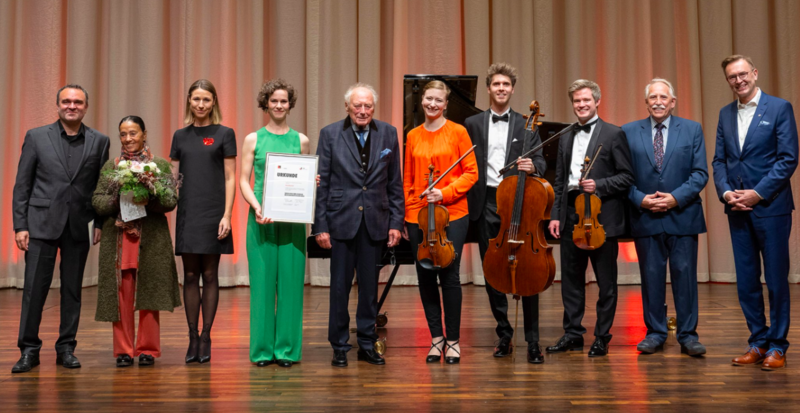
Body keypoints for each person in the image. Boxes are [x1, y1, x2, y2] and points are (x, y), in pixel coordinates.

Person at [11, 85, 110, 373]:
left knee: (72, 291)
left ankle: (66, 348)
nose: (72, 106)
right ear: (57, 106)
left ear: (86, 108)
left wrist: (101, 222)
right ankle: (29, 350)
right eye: (66, 101)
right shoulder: (36, 137)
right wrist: (21, 225)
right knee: (34, 291)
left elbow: (102, 188)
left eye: (78, 102)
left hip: (79, 226)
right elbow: (22, 185)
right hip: (40, 225)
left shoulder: (99, 141)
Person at [712, 55, 799, 371]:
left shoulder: (779, 108)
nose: (738, 80)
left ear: (755, 73)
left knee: (776, 280)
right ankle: (758, 343)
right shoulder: (725, 114)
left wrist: (757, 193)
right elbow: (719, 161)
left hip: (771, 209)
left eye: (743, 74)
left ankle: (778, 346)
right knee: (746, 281)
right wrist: (726, 193)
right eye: (732, 77)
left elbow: (788, 159)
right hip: (736, 209)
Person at [313, 83, 404, 367]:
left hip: (376, 221)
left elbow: (395, 183)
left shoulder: (388, 133)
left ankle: (366, 343)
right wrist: (320, 225)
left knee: (369, 288)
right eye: (357, 106)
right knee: (339, 288)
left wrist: (396, 223)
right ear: (347, 108)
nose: (362, 111)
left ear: (373, 108)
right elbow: (322, 183)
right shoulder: (329, 134)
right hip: (340, 222)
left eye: (368, 106)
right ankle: (340, 346)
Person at [464, 63, 547, 364]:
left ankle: (534, 340)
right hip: (485, 200)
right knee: (493, 271)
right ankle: (504, 334)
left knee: (529, 271)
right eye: (496, 84)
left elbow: (541, 161)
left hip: (519, 201)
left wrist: (533, 166)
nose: (501, 89)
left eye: (506, 85)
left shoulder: (528, 124)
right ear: (488, 88)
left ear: (512, 89)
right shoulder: (472, 123)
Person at [546, 79, 634, 357]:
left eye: (586, 100)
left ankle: (602, 337)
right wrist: (555, 216)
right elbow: (560, 180)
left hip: (601, 215)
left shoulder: (613, 134)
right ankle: (573, 334)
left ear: (597, 101)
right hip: (571, 212)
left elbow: (627, 177)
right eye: (576, 101)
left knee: (606, 282)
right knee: (571, 279)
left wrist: (600, 185)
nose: (581, 105)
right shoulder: (566, 135)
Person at [622, 79, 708, 357]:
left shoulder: (692, 129)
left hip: (682, 215)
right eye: (652, 97)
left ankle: (688, 335)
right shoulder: (628, 132)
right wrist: (640, 199)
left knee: (685, 277)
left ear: (673, 102)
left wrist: (674, 198)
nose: (658, 101)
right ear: (646, 102)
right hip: (645, 217)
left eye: (663, 97)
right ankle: (655, 333)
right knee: (651, 278)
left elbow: (700, 174)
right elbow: (623, 176)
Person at [92, 116, 182, 367]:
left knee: (149, 294)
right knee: (121, 294)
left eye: (133, 133)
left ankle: (147, 350)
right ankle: (123, 350)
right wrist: (117, 192)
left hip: (150, 241)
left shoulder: (159, 165)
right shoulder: (112, 165)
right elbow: (97, 202)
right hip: (118, 239)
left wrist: (150, 195)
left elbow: (170, 201)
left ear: (144, 133)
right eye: (123, 134)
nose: (128, 138)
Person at [403, 80, 478, 364]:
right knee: (425, 276)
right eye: (428, 98)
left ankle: (454, 340)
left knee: (450, 275)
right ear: (421, 100)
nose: (432, 104)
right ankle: (436, 339)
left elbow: (471, 173)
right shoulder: (412, 135)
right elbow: (409, 179)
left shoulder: (458, 132)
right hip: (419, 217)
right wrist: (410, 213)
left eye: (438, 100)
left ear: (446, 104)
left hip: (453, 213)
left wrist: (444, 192)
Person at [240, 79, 311, 368]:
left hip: (293, 220)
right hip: (261, 217)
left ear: (290, 104)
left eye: (284, 101)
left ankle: (286, 351)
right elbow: (244, 180)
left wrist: (312, 181)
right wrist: (257, 207)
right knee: (263, 286)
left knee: (293, 286)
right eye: (274, 101)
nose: (279, 105)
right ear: (266, 104)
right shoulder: (252, 139)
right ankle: (261, 351)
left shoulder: (302, 140)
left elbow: (303, 181)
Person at [170, 79, 237, 364]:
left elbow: (231, 177)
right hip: (187, 213)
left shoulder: (225, 133)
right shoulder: (179, 135)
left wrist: (227, 215)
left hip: (213, 213)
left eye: (206, 100)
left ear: (214, 102)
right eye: (196, 99)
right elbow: (172, 179)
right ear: (189, 101)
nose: (200, 105)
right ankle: (192, 337)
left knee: (210, 275)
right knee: (188, 276)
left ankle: (206, 335)